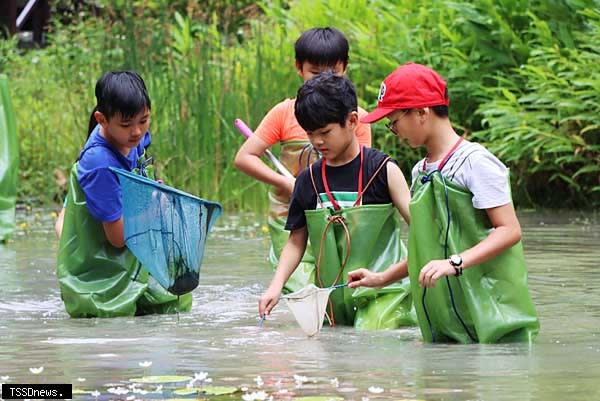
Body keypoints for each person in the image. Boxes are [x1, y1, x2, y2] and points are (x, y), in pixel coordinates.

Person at [348, 63, 539, 343]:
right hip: (448, 318)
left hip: (493, 314)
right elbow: (427, 248)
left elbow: (509, 231)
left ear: (422, 112)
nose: (393, 130)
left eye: (394, 120)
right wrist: (381, 279)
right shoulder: (420, 172)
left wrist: (455, 262)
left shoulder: (476, 162)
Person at [258, 73, 415, 329]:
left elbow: (420, 229)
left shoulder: (383, 170)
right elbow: (296, 241)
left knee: (370, 342)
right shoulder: (307, 181)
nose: (317, 142)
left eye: (325, 132)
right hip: (333, 299)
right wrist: (275, 287)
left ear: (352, 121)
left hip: (386, 293)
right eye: (310, 133)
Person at [235, 27, 371, 294]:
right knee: (302, 287)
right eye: (315, 73)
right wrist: (288, 185)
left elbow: (364, 174)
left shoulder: (354, 118)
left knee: (340, 289)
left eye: (333, 72)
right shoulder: (285, 113)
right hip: (288, 217)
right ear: (299, 68)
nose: (325, 80)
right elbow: (244, 157)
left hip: (337, 216)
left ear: (344, 67)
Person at [56, 71, 191, 318]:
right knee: (117, 328)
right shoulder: (99, 163)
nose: (138, 132)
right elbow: (117, 238)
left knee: (175, 308)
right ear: (102, 120)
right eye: (127, 124)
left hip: (134, 257)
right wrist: (152, 204)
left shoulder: (130, 138)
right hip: (103, 282)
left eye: (144, 120)